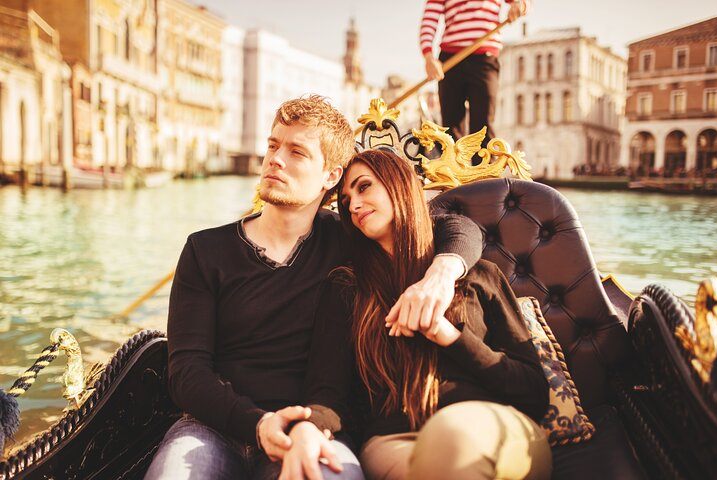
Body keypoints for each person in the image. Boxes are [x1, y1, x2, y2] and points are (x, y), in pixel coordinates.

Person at [144, 96, 484, 480]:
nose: (275, 159)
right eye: (273, 145)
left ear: (330, 177)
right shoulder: (205, 250)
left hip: (315, 426)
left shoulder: (350, 240)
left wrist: (442, 271)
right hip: (211, 427)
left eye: (296, 152)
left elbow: (455, 227)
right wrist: (258, 424)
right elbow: (187, 372)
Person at [270, 148, 552, 480]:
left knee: (450, 438)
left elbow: (534, 392)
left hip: (493, 423)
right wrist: (309, 428)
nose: (354, 205)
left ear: (399, 185)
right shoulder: (347, 289)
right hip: (393, 442)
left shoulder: (478, 274)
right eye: (345, 201)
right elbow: (327, 390)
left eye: (364, 187)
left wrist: (449, 336)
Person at [421, 0, 530, 154]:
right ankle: (453, 175)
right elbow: (429, 18)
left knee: (483, 126)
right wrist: (428, 56)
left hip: (485, 57)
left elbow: (522, 2)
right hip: (451, 59)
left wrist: (520, 5)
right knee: (450, 129)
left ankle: (485, 176)